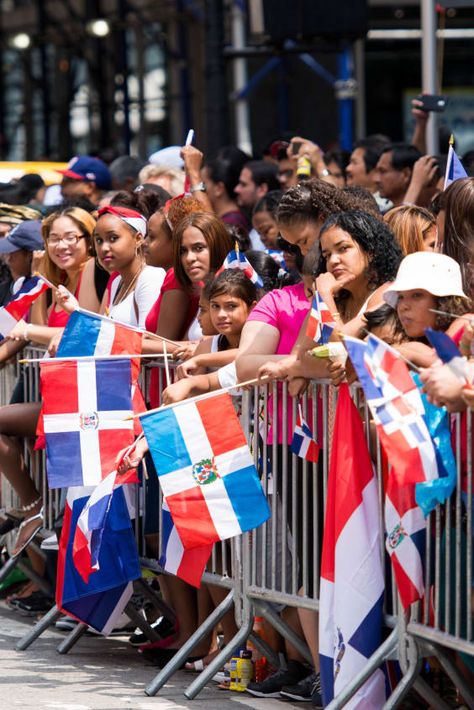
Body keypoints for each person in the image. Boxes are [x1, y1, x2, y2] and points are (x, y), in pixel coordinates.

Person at [94, 205, 165, 327]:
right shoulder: (117, 282)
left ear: (138, 239)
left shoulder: (151, 277)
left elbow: (147, 340)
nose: (103, 248)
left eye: (113, 238)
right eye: (99, 240)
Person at [374, 143, 422, 207]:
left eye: (383, 171)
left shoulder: (422, 215)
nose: (376, 179)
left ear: (406, 174)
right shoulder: (383, 213)